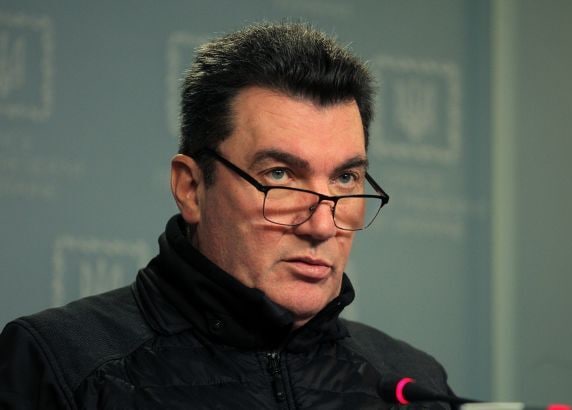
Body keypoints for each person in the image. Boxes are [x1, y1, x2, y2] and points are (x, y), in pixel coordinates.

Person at [0, 22, 454, 409]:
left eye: (345, 178)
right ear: (191, 188)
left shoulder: (413, 384)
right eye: (279, 176)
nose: (320, 226)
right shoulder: (57, 364)